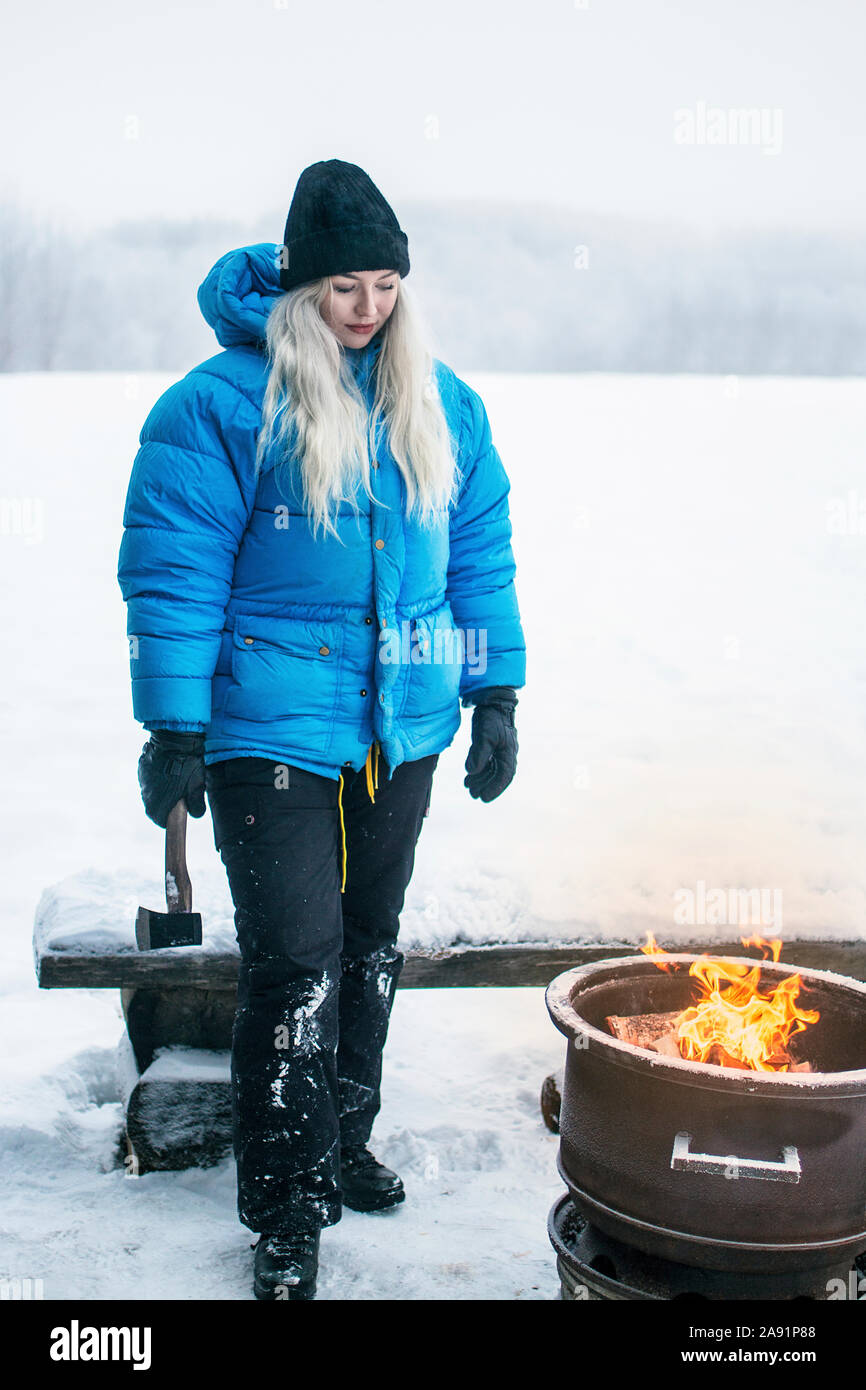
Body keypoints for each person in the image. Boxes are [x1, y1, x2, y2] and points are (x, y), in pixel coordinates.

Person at [118, 159, 526, 1300]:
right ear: (302, 287)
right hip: (267, 730)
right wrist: (176, 729)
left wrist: (493, 694)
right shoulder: (218, 404)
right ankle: (286, 1205)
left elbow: (477, 558)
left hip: (402, 723)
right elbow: (175, 579)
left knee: (367, 944)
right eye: (345, 286)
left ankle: (344, 1138)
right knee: (294, 960)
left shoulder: (441, 401)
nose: (366, 308)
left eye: (386, 284)